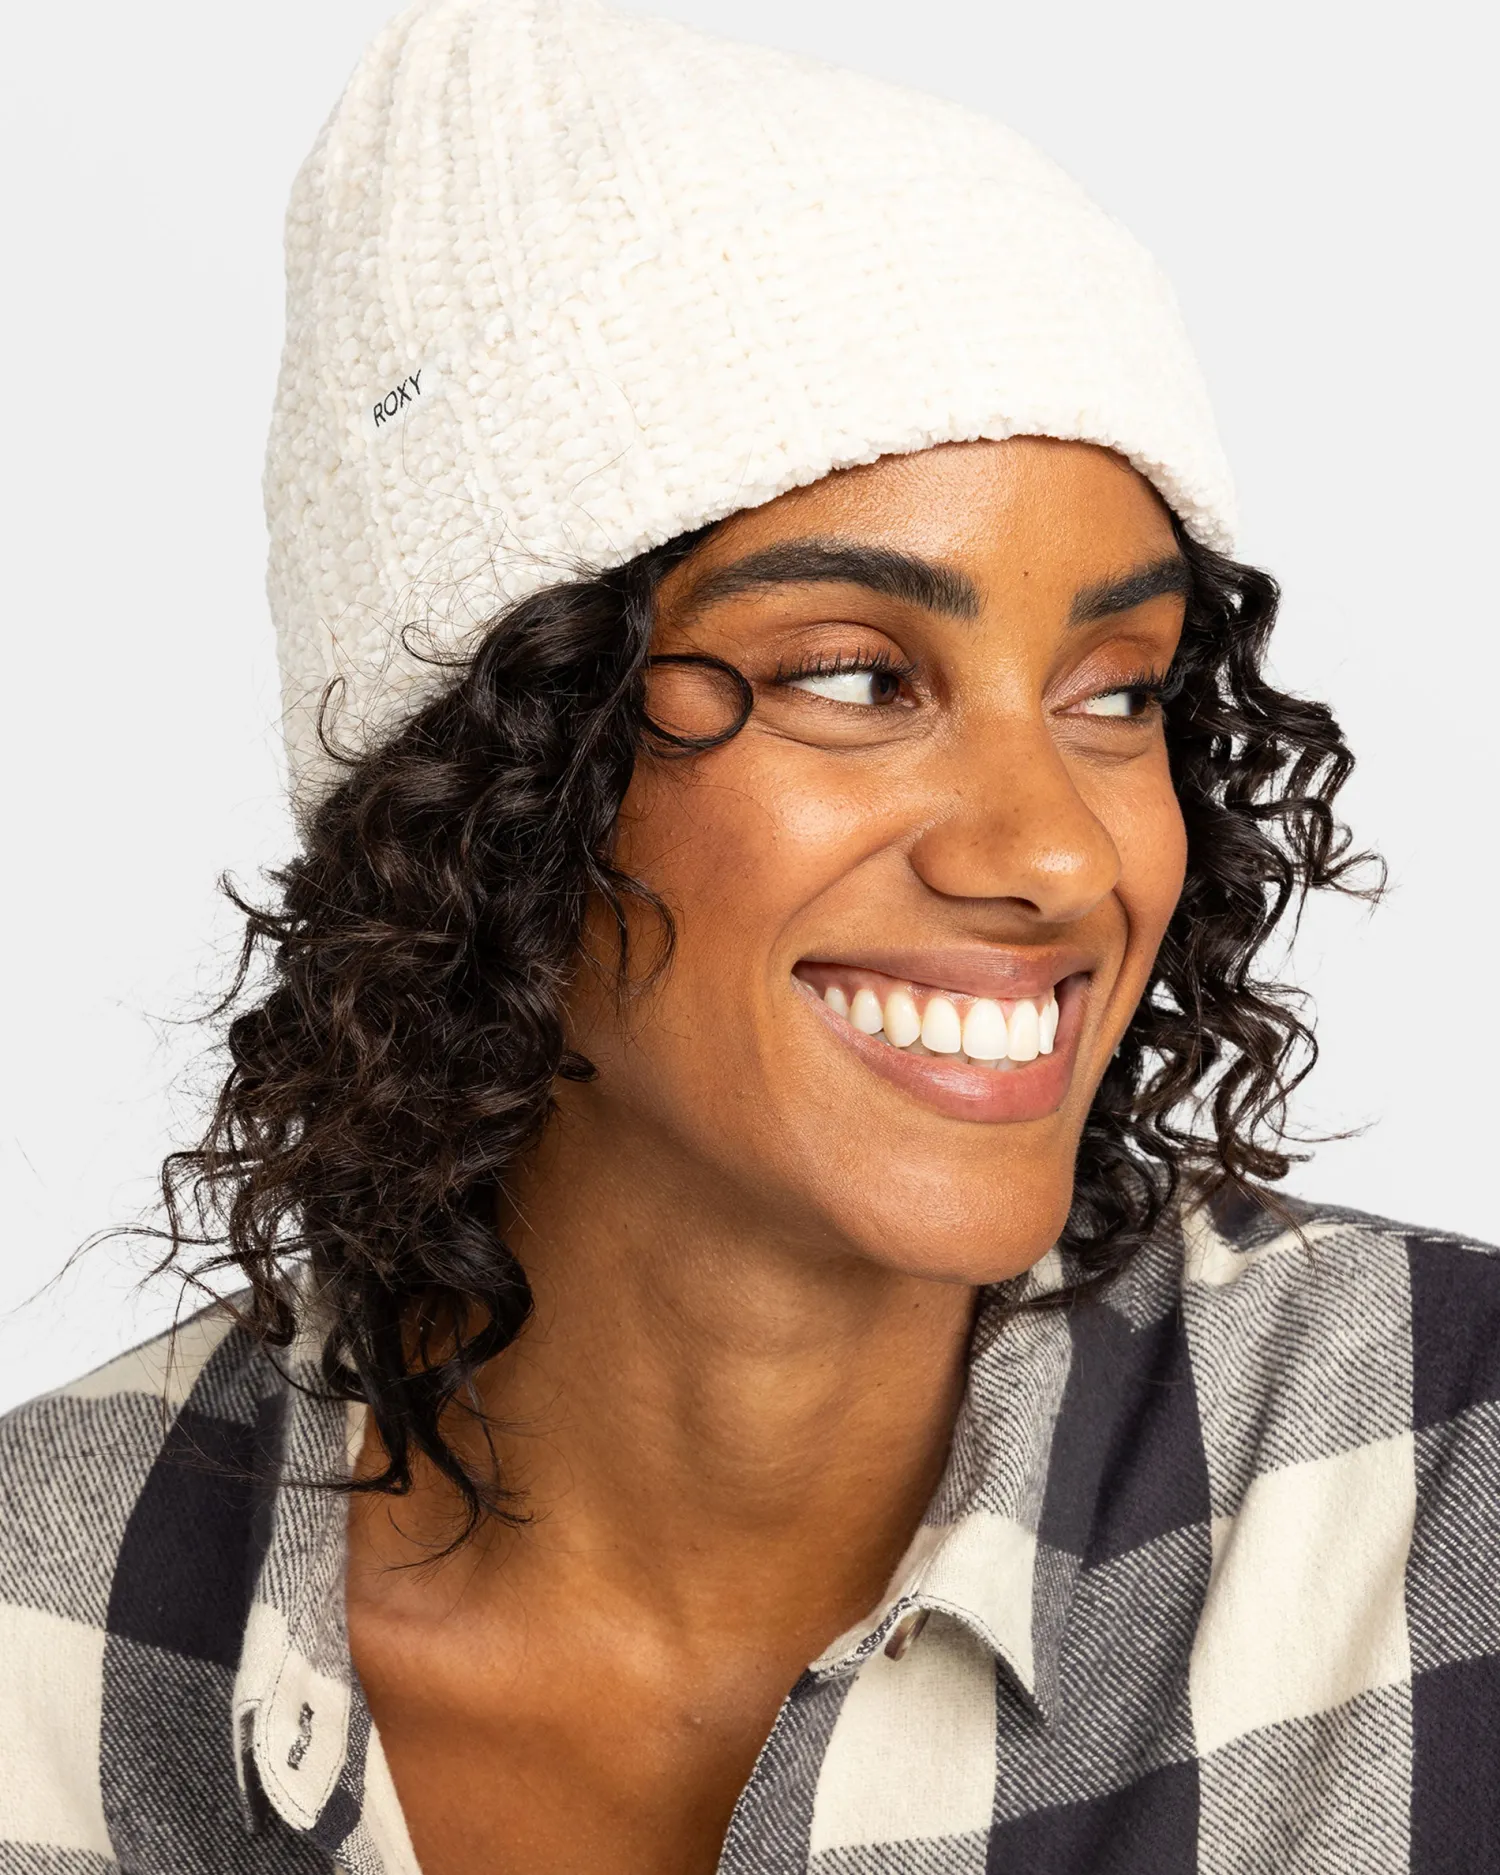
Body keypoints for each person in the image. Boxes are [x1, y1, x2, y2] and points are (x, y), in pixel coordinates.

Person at [3, 1, 1497, 1871]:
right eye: (859, 679)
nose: (1055, 852)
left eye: (1117, 692)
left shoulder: (1450, 1490)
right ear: (496, 775)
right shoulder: (37, 1642)